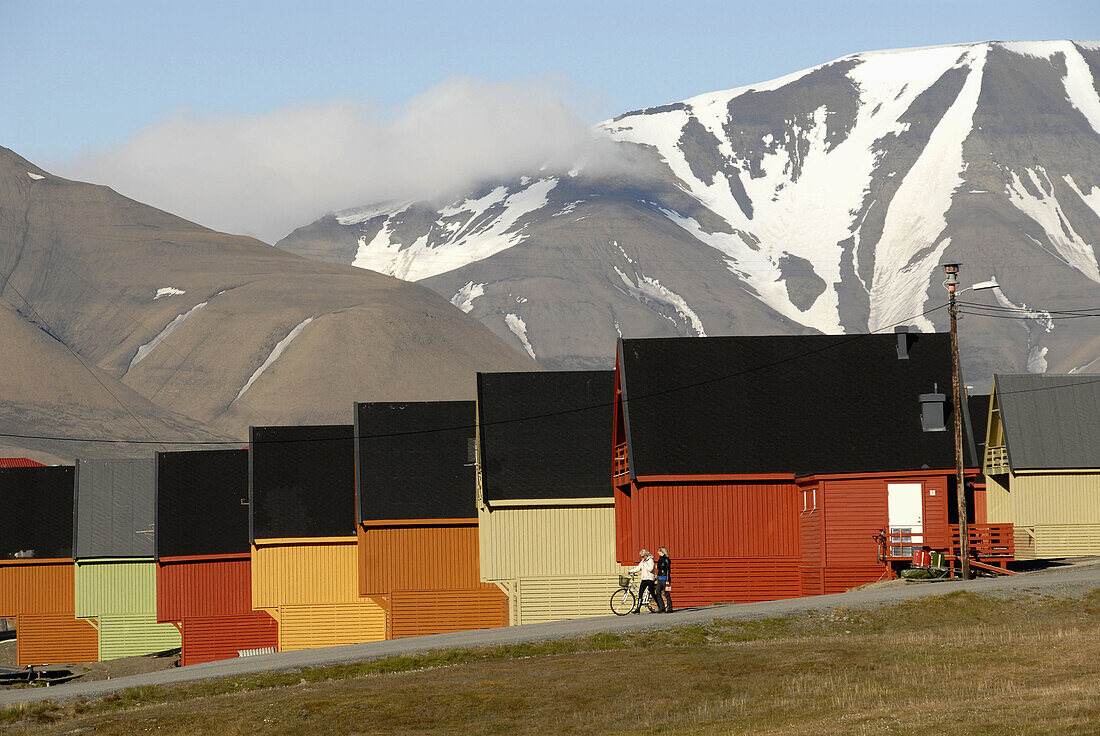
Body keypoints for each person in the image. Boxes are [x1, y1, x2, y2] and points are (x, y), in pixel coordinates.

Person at [627, 549, 656, 613]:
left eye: (643, 556)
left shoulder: (650, 560)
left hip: (650, 579)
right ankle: (638, 608)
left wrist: (645, 564)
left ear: (646, 555)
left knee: (652, 593)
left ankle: (660, 606)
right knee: (640, 593)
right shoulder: (643, 561)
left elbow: (651, 569)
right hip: (644, 579)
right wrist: (631, 571)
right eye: (641, 556)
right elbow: (638, 568)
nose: (642, 558)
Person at [655, 546, 673, 613]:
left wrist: (667, 580)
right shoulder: (660, 559)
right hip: (660, 578)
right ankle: (661, 607)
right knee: (658, 592)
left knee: (666, 593)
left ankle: (670, 607)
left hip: (665, 578)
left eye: (659, 551)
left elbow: (668, 570)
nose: (658, 552)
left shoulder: (666, 559)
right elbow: (659, 569)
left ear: (662, 552)